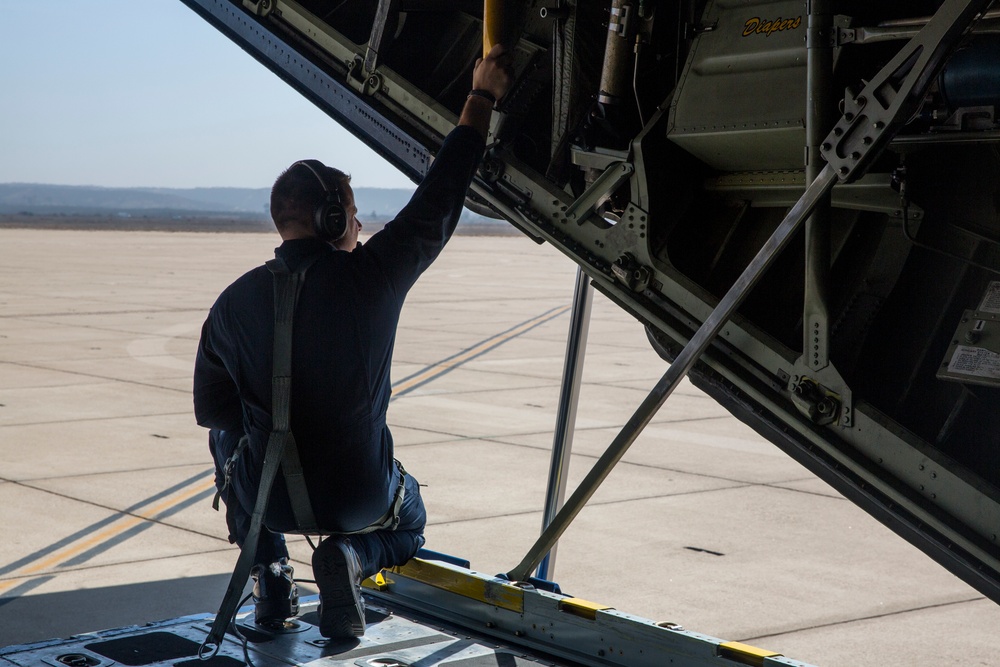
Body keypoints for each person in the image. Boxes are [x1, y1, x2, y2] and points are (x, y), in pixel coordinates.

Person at [193, 46, 512, 639]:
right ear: (334, 219)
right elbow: (439, 200)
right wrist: (481, 97)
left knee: (225, 436)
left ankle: (271, 578)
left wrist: (275, 421)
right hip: (362, 498)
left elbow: (214, 412)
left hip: (272, 503)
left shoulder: (232, 304)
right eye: (355, 213)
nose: (361, 226)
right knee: (411, 518)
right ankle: (352, 559)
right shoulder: (372, 276)